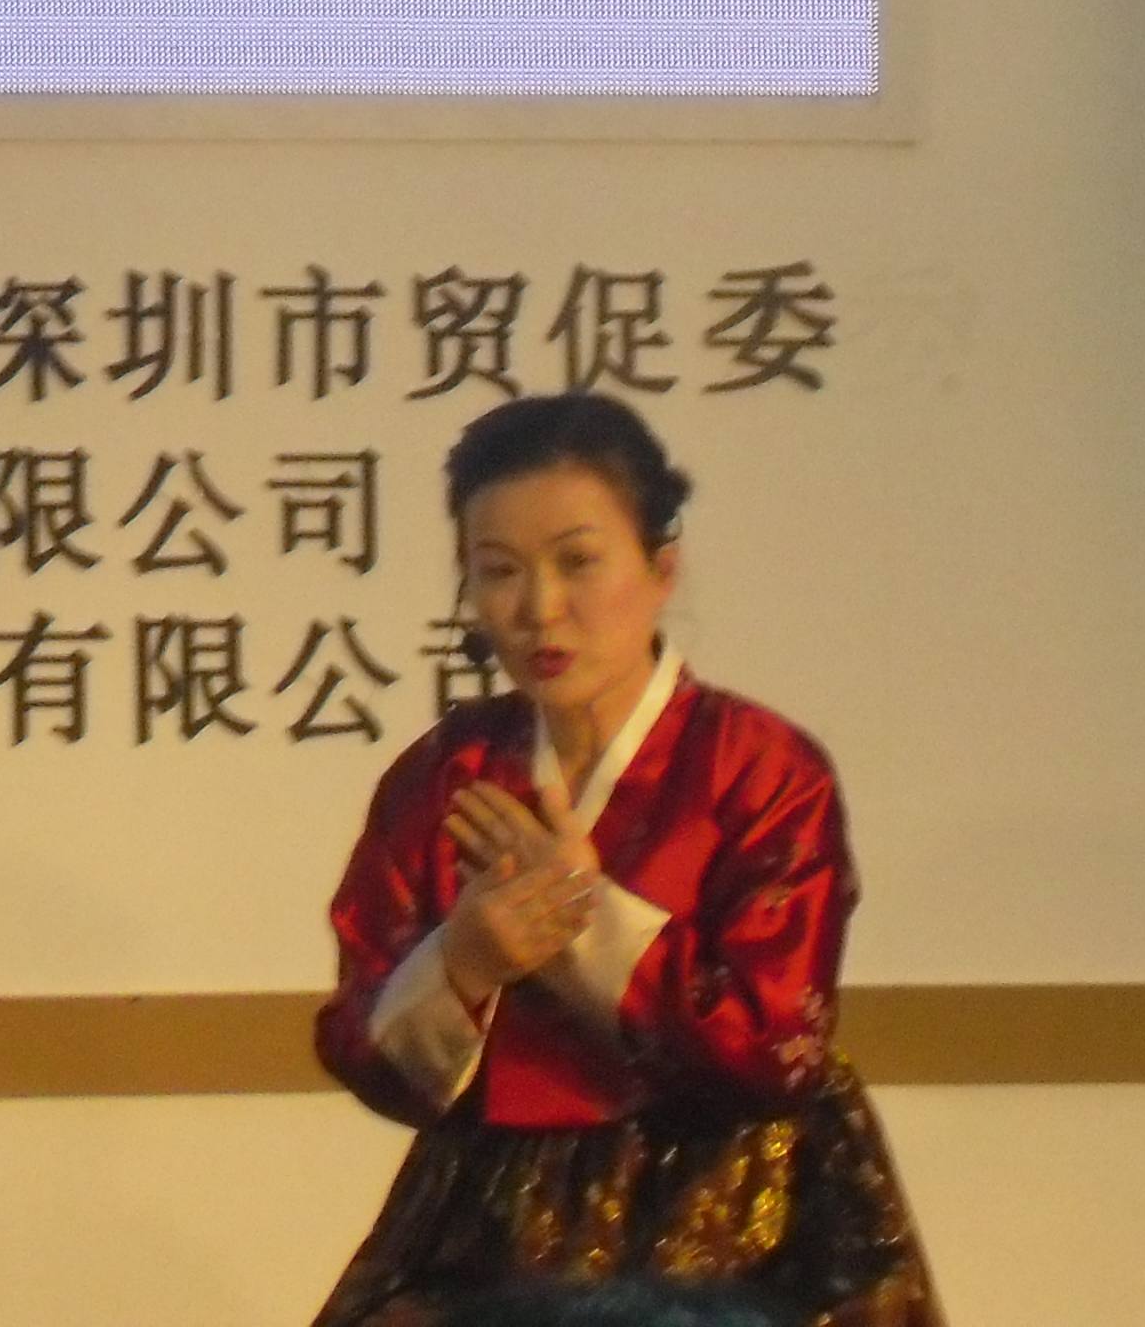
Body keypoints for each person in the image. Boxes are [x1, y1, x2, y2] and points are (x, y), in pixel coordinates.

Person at [311, 394, 942, 1327]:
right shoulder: (446, 776)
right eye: (498, 571)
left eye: (577, 563)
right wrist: (467, 961)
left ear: (661, 568)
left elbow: (776, 1047)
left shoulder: (760, 770)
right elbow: (362, 1043)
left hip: (740, 1214)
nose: (538, 610)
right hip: (494, 1215)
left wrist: (585, 922)